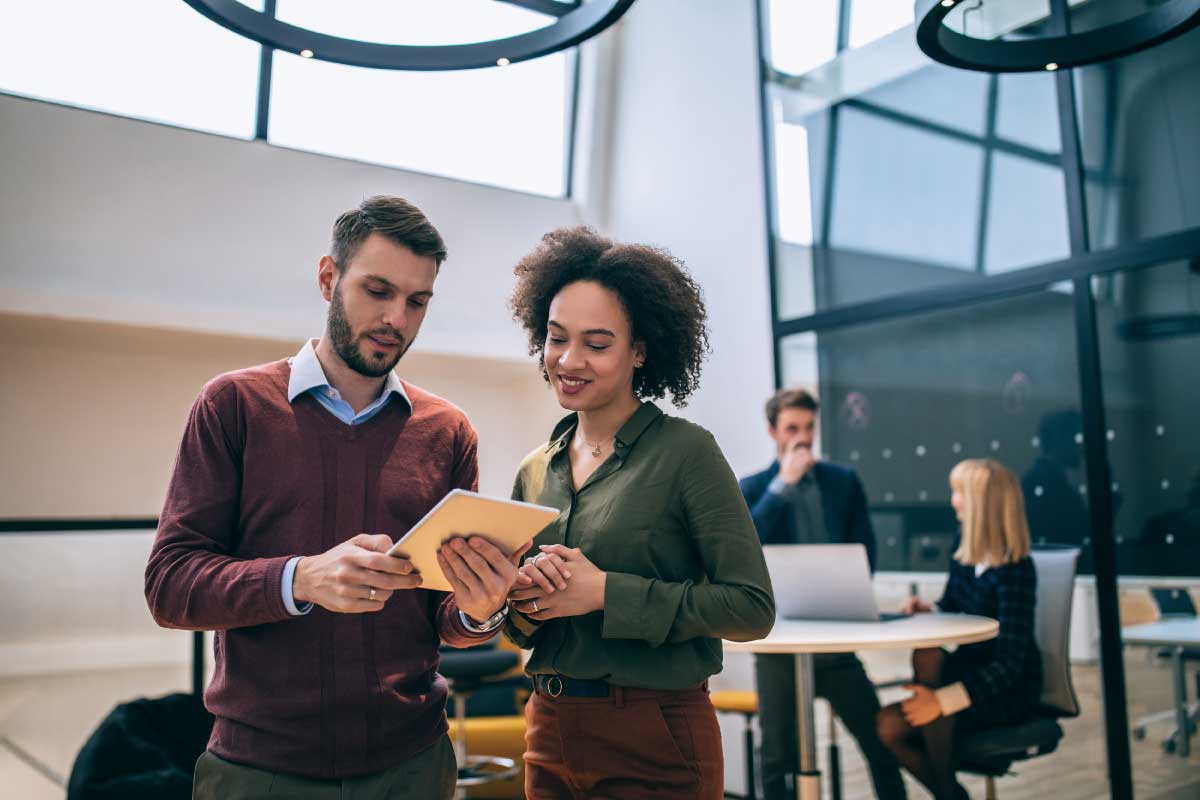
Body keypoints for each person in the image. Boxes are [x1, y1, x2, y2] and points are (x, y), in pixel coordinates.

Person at [144, 196, 529, 800]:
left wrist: (483, 609)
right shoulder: (233, 406)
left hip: (414, 765)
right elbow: (169, 586)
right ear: (328, 278)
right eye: (377, 291)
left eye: (416, 301)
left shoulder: (448, 431)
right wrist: (301, 579)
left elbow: (447, 618)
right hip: (260, 770)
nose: (396, 318)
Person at [501, 226, 776, 799]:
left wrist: (605, 592)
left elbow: (751, 609)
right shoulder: (534, 470)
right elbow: (522, 630)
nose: (568, 361)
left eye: (597, 345)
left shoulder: (686, 453)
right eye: (556, 338)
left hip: (654, 736)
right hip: (547, 729)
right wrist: (522, 598)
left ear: (641, 350)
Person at [740, 388, 906, 800]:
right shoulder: (755, 488)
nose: (802, 437)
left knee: (880, 741)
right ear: (773, 431)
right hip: (780, 644)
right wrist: (784, 485)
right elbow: (744, 548)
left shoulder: (842, 482)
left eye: (809, 427)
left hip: (836, 639)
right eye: (792, 428)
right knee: (777, 757)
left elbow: (866, 552)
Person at [878, 459, 1042, 800]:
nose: (953, 501)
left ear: (982, 503)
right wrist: (931, 609)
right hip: (965, 672)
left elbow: (1010, 665)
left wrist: (942, 701)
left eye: (959, 493)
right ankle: (951, 794)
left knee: (906, 708)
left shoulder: (1016, 571)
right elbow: (953, 603)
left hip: (1002, 689)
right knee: (887, 724)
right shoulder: (963, 546)